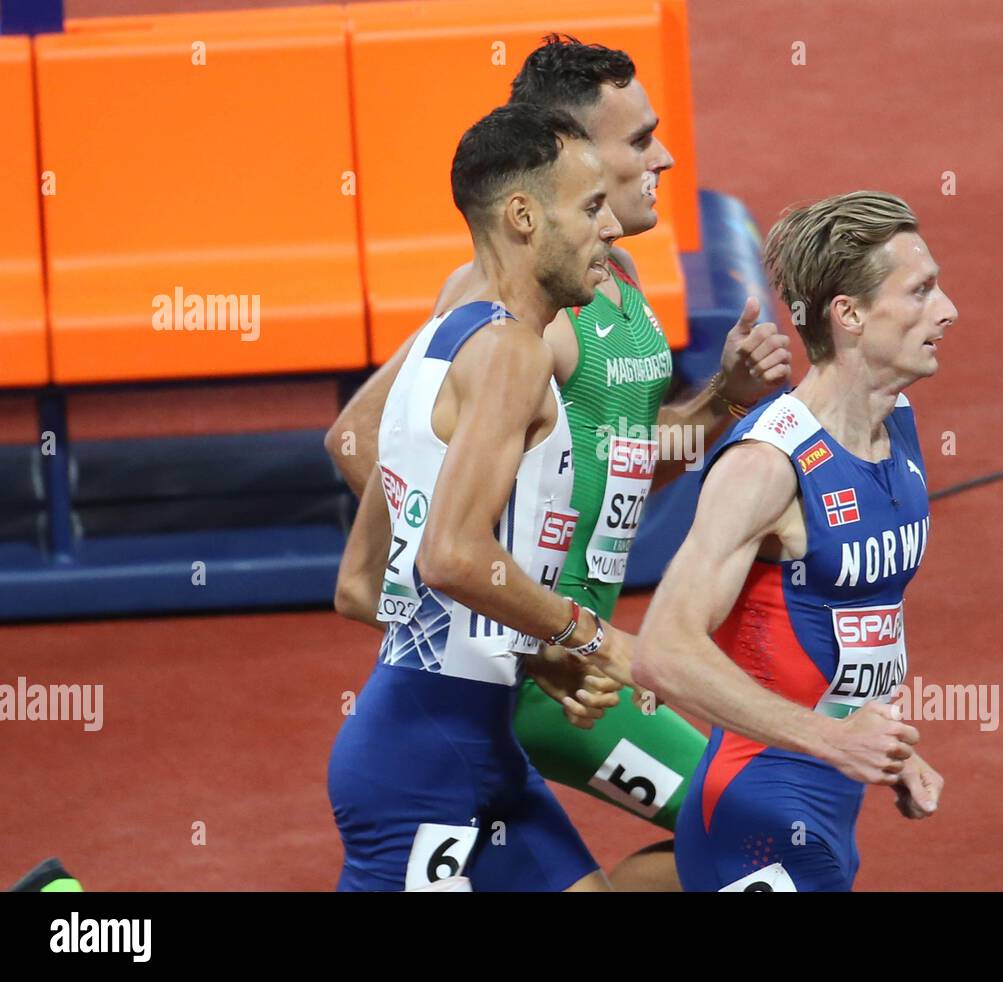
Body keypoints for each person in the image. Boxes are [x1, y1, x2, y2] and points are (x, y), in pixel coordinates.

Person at [327, 35, 792, 891]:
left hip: (524, 678)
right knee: (768, 833)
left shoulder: (607, 280)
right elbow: (365, 440)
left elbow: (620, 466)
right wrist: (530, 621)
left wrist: (721, 404)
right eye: (638, 138)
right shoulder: (499, 315)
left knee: (761, 834)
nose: (664, 154)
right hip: (533, 676)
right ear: (567, 158)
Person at [327, 103, 630, 892]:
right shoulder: (509, 354)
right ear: (524, 215)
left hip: (468, 748)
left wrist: (533, 655)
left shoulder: (440, 339)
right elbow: (454, 556)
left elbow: (364, 587)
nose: (614, 230)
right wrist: (590, 635)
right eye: (592, 208)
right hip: (425, 772)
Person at [634, 191, 953, 891]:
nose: (948, 310)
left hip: (826, 806)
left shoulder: (898, 426)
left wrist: (885, 747)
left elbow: (846, 627)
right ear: (850, 315)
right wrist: (836, 740)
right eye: (922, 292)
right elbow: (663, 650)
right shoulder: (767, 465)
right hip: (756, 816)